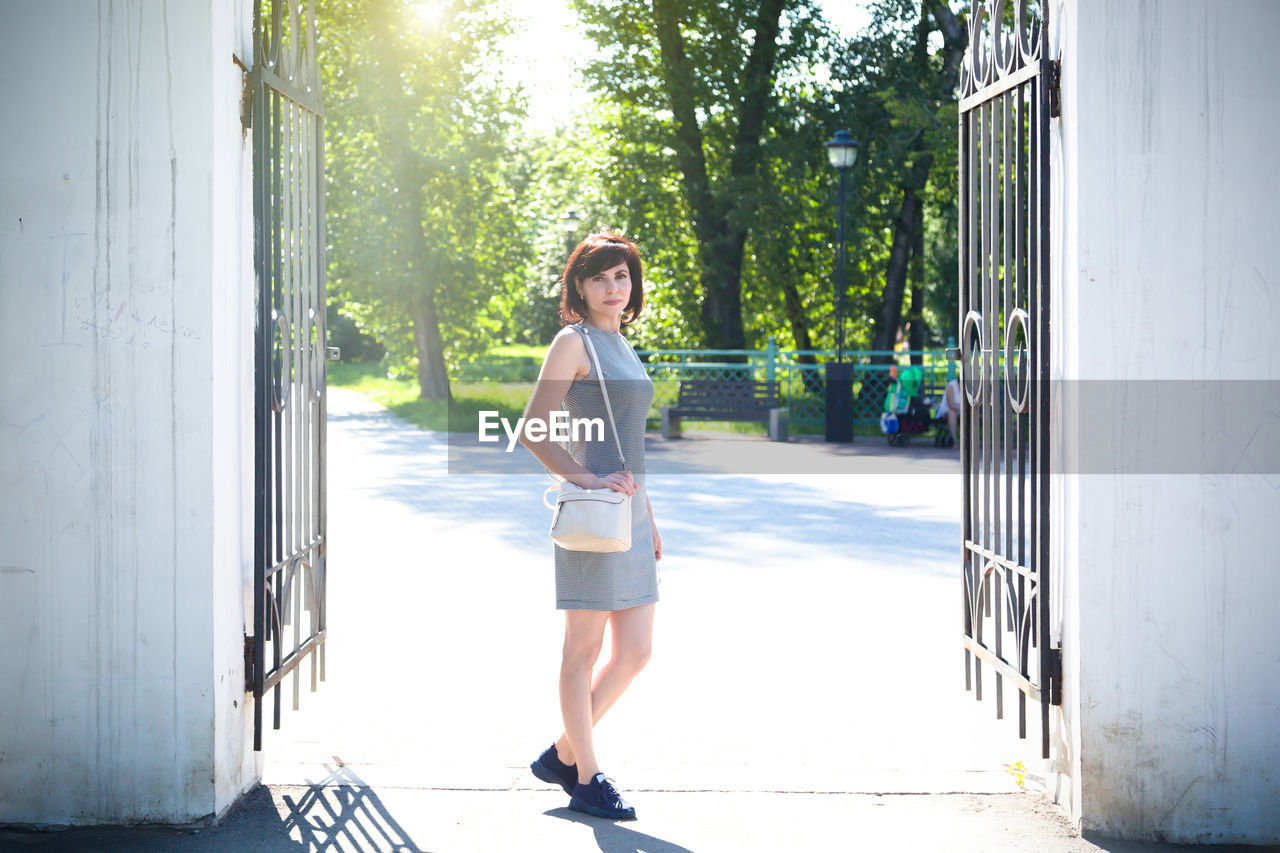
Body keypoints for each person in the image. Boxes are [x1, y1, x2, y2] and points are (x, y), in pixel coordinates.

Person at [517, 231, 661, 821]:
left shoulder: (622, 342)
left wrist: (650, 516)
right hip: (593, 517)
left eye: (621, 276)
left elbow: (632, 445)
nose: (612, 288)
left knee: (636, 652)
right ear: (579, 285)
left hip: (632, 515)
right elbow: (533, 429)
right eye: (599, 278)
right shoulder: (572, 342)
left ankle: (561, 754)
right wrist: (589, 480)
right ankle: (586, 776)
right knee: (583, 650)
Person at [934, 372, 963, 447]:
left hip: (961, 411)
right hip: (947, 410)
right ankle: (954, 441)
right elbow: (951, 405)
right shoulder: (951, 386)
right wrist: (964, 410)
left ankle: (969, 441)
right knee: (952, 413)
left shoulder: (970, 387)